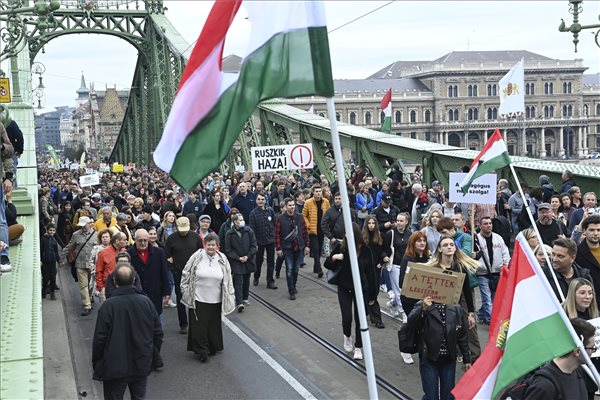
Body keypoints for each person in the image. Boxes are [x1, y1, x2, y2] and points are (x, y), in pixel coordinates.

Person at [92, 264, 163, 399]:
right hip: (141, 361)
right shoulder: (146, 302)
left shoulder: (108, 306)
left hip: (114, 366)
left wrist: (98, 363)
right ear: (134, 280)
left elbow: (100, 339)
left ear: (114, 281)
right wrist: (151, 354)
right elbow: (158, 333)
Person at [180, 233, 235, 362]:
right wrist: (184, 289)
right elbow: (186, 272)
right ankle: (201, 351)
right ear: (205, 245)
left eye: (213, 245)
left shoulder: (222, 258)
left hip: (216, 299)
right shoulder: (197, 256)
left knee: (212, 325)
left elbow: (228, 277)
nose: (211, 247)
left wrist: (231, 294)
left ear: (217, 246)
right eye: (208, 245)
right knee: (199, 326)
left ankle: (212, 347)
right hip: (198, 298)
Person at [427, 236, 482, 361]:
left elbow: (467, 290)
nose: (449, 247)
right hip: (441, 304)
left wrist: (471, 313)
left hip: (458, 301)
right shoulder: (434, 268)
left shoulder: (460, 266)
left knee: (468, 328)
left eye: (452, 245)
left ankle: (474, 358)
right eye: (445, 245)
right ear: (440, 249)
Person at [324, 222, 374, 361]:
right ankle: (347, 336)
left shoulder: (365, 250)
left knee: (360, 319)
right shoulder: (341, 247)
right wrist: (334, 257)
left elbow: (371, 273)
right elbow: (327, 264)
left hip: (361, 289)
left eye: (349, 233)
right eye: (345, 233)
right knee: (347, 317)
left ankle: (358, 347)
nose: (346, 235)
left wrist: (372, 294)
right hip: (345, 287)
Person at [408, 295, 471, 400]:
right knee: (431, 396)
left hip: (448, 359)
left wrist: (467, 359)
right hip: (429, 358)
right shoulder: (423, 304)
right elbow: (411, 322)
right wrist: (422, 308)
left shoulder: (456, 308)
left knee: (448, 396)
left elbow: (462, 335)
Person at [524, 318, 594, 400]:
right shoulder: (544, 385)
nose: (593, 351)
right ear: (577, 352)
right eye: (592, 348)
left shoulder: (578, 371)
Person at [164, 216, 202, 334]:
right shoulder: (171, 239)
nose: (184, 231)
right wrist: (173, 269)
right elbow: (166, 256)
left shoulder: (195, 237)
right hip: (179, 272)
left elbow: (201, 253)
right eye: (181, 229)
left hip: (194, 273)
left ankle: (195, 321)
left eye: (186, 229)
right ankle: (183, 324)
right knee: (180, 298)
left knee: (195, 298)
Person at [398, 231, 431, 365]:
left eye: (424, 240)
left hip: (424, 299)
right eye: (419, 241)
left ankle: (422, 349)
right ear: (413, 243)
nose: (422, 243)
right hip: (409, 299)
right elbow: (402, 282)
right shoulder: (407, 258)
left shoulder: (429, 259)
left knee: (425, 325)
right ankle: (405, 347)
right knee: (412, 323)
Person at [127, 229, 171, 320]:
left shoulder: (159, 252)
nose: (143, 243)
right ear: (135, 240)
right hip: (136, 295)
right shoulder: (128, 254)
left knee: (156, 323)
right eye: (140, 240)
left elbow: (164, 273)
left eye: (145, 240)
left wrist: (166, 292)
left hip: (155, 293)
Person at [474, 216, 510, 325]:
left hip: (497, 272)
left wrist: (505, 266)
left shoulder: (498, 238)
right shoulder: (475, 239)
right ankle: (492, 321)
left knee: (493, 299)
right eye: (485, 223)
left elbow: (505, 253)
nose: (489, 225)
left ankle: (481, 314)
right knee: (487, 299)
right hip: (482, 273)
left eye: (490, 223)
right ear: (480, 225)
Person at [275, 198, 310, 300]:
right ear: (285, 207)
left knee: (295, 269)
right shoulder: (280, 218)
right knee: (289, 269)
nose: (292, 207)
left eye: (293, 205)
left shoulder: (299, 217)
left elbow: (304, 232)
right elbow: (277, 234)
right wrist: (278, 248)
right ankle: (291, 290)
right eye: (290, 205)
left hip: (298, 246)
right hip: (287, 248)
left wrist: (307, 245)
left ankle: (293, 285)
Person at [63, 216, 98, 315]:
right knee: (83, 285)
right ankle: (87, 305)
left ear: (89, 224)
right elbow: (69, 247)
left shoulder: (97, 235)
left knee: (90, 285)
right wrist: (61, 258)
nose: (82, 227)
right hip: (80, 263)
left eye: (84, 225)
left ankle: (90, 297)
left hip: (92, 265)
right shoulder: (75, 235)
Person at [224, 213, 257, 312]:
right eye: (240, 219)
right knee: (238, 281)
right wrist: (238, 258)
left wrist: (248, 256)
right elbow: (228, 249)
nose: (242, 221)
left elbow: (253, 245)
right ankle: (239, 302)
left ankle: (245, 297)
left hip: (248, 259)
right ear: (235, 222)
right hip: (236, 261)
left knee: (246, 279)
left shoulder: (248, 231)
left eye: (242, 219)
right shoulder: (229, 233)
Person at [382, 213, 412, 321]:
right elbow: (384, 249)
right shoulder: (391, 234)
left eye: (401, 221)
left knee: (405, 290)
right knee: (399, 290)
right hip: (394, 265)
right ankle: (404, 313)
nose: (399, 223)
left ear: (406, 222)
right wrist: (385, 257)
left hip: (407, 266)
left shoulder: (410, 234)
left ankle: (393, 303)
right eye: (397, 221)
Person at [248, 193, 277, 289]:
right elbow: (252, 229)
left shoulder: (270, 211)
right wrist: (254, 243)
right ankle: (256, 277)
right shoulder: (253, 213)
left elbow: (274, 224)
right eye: (259, 199)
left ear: (265, 200)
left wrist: (274, 237)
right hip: (259, 242)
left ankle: (270, 281)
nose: (261, 201)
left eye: (262, 199)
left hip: (270, 240)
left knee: (271, 261)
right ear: (256, 201)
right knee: (258, 261)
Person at [362, 215, 385, 329]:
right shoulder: (362, 238)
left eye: (373, 223)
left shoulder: (379, 237)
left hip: (376, 268)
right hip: (365, 270)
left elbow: (383, 251)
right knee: (368, 292)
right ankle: (376, 318)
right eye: (369, 223)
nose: (371, 225)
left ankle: (369, 313)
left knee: (374, 292)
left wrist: (381, 261)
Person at [302, 185, 330, 278]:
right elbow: (304, 215)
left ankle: (315, 266)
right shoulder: (308, 202)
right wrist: (308, 225)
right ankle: (319, 269)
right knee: (316, 248)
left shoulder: (325, 202)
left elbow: (328, 214)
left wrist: (328, 224)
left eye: (319, 191)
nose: (318, 193)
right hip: (312, 230)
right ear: (313, 192)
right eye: (316, 191)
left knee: (319, 248)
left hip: (322, 229)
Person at [573, 215, 600, 308]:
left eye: (599, 230)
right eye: (592, 230)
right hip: (592, 303)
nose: (596, 233)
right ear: (584, 231)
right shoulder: (577, 253)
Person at [95, 232, 128, 303]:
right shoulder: (103, 253)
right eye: (124, 239)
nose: (126, 241)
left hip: (122, 288)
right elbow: (98, 271)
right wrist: (101, 288)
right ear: (117, 241)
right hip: (107, 288)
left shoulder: (124, 252)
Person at [40, 224, 62, 301]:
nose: (52, 232)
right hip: (45, 262)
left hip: (52, 262)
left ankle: (52, 293)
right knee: (45, 278)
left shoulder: (54, 241)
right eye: (50, 230)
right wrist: (40, 260)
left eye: (53, 230)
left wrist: (59, 260)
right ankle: (43, 292)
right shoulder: (43, 239)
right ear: (47, 230)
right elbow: (41, 250)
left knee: (53, 278)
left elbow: (56, 252)